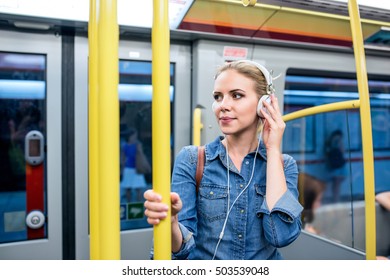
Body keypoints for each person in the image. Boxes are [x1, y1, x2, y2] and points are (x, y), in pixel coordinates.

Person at [144, 60, 303, 260]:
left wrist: (272, 150)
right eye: (218, 97)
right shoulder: (192, 159)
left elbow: (281, 236)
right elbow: (181, 250)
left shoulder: (284, 165)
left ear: (264, 104)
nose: (223, 106)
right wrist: (172, 222)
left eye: (237, 95)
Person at [120, 128, 149, 202]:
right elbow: (123, 158)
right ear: (130, 136)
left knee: (138, 188)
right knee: (128, 188)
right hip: (128, 168)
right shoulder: (125, 146)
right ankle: (129, 204)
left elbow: (141, 155)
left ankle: (138, 204)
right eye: (133, 136)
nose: (134, 137)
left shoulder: (138, 145)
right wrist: (122, 170)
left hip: (137, 168)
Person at [325, 129, 347, 202]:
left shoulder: (333, 143)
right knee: (336, 184)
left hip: (338, 165)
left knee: (336, 184)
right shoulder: (331, 144)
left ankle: (336, 199)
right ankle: (336, 199)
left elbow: (342, 152)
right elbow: (342, 151)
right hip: (336, 166)